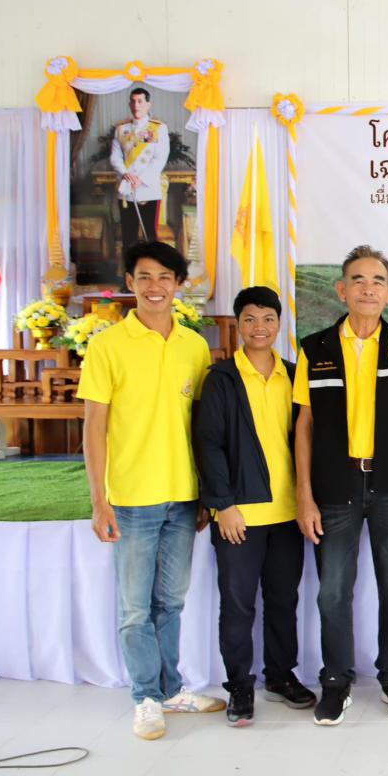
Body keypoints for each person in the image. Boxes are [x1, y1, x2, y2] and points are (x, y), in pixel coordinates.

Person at [78, 241, 224, 740]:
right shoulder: (107, 345)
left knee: (171, 602)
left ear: (179, 284)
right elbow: (94, 427)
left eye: (165, 277)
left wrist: (203, 493)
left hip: (183, 496)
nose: (155, 286)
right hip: (132, 497)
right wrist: (99, 500)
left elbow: (202, 427)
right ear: (130, 283)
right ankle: (145, 698)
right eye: (144, 277)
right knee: (134, 609)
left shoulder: (193, 346)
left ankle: (171, 690)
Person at [294, 245, 388, 726]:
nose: (367, 289)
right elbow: (304, 426)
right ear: (341, 290)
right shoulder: (315, 348)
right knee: (332, 592)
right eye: (358, 280)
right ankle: (335, 682)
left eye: (377, 281)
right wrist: (304, 495)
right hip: (335, 488)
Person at [194, 286, 316, 727]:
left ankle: (280, 677)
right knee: (238, 604)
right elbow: (208, 444)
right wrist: (222, 505)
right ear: (238, 324)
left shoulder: (293, 375)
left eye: (268, 319)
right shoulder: (222, 378)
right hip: (240, 515)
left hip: (288, 512)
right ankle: (240, 686)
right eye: (249, 319)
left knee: (284, 600)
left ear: (280, 323)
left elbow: (307, 439)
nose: (259, 327)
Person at [110, 87, 169, 251]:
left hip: (148, 189)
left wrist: (140, 179)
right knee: (128, 237)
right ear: (129, 104)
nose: (136, 105)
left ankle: (150, 266)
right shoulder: (121, 129)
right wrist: (125, 174)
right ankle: (130, 266)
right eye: (133, 101)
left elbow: (160, 158)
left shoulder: (158, 128)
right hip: (126, 189)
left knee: (150, 236)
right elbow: (115, 157)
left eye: (140, 101)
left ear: (148, 105)